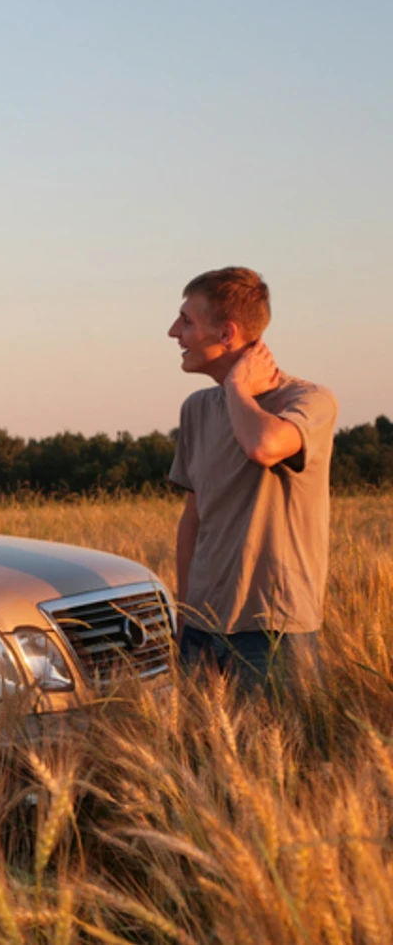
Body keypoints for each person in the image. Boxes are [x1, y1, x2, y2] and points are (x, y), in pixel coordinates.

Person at [167, 267, 336, 697]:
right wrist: (184, 614)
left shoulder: (308, 400)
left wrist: (238, 387)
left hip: (272, 629)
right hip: (201, 628)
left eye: (187, 321)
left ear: (227, 333)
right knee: (199, 758)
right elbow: (193, 516)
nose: (173, 332)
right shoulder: (196, 410)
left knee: (285, 761)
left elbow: (263, 446)